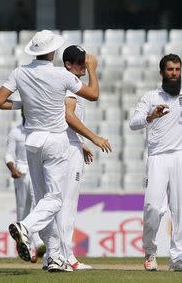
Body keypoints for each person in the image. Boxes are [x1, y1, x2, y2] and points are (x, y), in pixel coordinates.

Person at [0, 30, 101, 272]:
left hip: (32, 141)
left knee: (45, 200)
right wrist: (92, 68)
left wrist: (23, 104)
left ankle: (53, 257)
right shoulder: (61, 74)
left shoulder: (19, 72)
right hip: (55, 140)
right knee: (55, 199)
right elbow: (93, 94)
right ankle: (26, 228)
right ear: (51, 51)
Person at [129, 51, 182, 271]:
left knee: (180, 209)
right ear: (162, 72)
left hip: (180, 156)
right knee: (152, 208)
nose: (174, 74)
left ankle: (177, 259)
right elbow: (133, 122)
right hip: (158, 158)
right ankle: (150, 253)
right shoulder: (150, 97)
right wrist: (151, 116)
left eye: (177, 70)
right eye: (170, 70)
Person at [54, 45, 111, 271]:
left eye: (84, 62)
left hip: (70, 144)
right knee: (67, 203)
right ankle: (67, 257)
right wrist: (93, 137)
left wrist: (82, 143)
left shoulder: (67, 81)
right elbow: (68, 114)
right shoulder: (69, 82)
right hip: (67, 149)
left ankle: (56, 255)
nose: (84, 66)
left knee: (61, 202)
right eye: (80, 63)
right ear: (68, 64)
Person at [5, 111, 45, 263]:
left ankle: (38, 245)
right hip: (21, 174)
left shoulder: (39, 130)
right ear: (22, 113)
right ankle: (28, 246)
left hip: (36, 172)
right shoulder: (15, 131)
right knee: (22, 212)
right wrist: (12, 168)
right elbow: (8, 155)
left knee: (37, 208)